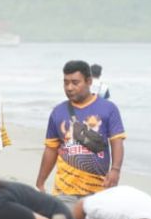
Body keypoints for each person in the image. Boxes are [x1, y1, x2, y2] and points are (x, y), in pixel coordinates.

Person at [36, 60, 126, 197]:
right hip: (64, 191)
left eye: (75, 82)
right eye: (66, 83)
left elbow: (117, 141)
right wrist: (40, 182)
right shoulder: (58, 112)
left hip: (99, 191)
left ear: (89, 81)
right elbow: (51, 149)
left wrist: (115, 170)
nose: (69, 87)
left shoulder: (108, 109)